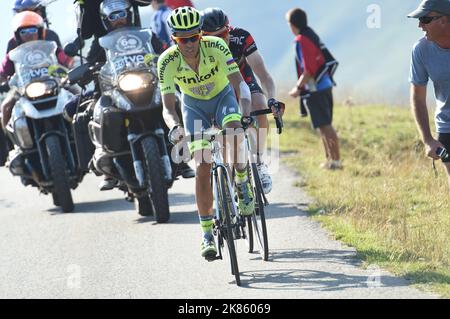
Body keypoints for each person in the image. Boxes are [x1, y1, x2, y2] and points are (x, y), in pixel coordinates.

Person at [158, 6, 254, 259]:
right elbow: (168, 107)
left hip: (223, 98)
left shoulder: (216, 46)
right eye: (183, 39)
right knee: (202, 166)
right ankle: (207, 234)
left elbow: (239, 85)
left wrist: (244, 113)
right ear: (174, 40)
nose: (189, 44)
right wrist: (175, 128)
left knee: (234, 133)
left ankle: (242, 182)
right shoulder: (166, 61)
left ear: (201, 34)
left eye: (193, 37)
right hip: (194, 107)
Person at [91, 0, 194, 191]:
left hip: (148, 83)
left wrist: (171, 54)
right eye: (113, 16)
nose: (118, 20)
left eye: (121, 14)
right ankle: (105, 161)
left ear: (129, 14)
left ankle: (183, 153)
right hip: (116, 90)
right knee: (97, 110)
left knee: (177, 98)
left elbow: (163, 48)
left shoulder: (146, 35)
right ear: (106, 20)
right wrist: (88, 69)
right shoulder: (101, 43)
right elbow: (91, 62)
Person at [201, 7, 284, 195]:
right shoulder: (200, 47)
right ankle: (229, 188)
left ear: (229, 29)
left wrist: (272, 99)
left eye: (222, 34)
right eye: (211, 37)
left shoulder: (241, 38)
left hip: (242, 79)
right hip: (218, 85)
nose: (220, 40)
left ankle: (259, 160)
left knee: (260, 105)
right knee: (226, 139)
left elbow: (264, 75)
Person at [0, 11, 73, 166]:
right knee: (5, 107)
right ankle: (13, 147)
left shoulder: (50, 46)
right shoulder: (13, 50)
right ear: (17, 34)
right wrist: (3, 80)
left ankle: (84, 137)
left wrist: (68, 68)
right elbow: (3, 71)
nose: (28, 34)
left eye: (32, 30)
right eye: (23, 31)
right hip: (24, 88)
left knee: (78, 94)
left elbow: (65, 61)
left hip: (54, 83)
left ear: (40, 30)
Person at [286, 8, 342, 170]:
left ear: (292, 24)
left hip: (316, 89)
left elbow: (309, 70)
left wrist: (297, 88)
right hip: (324, 85)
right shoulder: (311, 35)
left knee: (325, 125)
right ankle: (330, 160)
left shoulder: (301, 40)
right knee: (322, 124)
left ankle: (336, 161)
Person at [408, 0, 450, 189]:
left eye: (425, 19)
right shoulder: (421, 50)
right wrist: (427, 140)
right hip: (447, 125)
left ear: (444, 20)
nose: (420, 25)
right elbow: (417, 97)